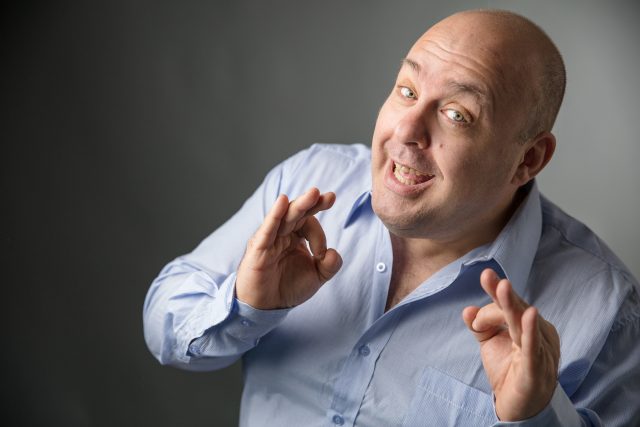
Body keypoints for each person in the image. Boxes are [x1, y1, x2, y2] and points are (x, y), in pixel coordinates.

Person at [143, 9, 640, 426]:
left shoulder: (605, 310)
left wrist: (535, 417)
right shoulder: (310, 177)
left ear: (527, 160)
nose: (406, 130)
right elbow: (165, 321)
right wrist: (246, 305)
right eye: (407, 90)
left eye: (457, 114)